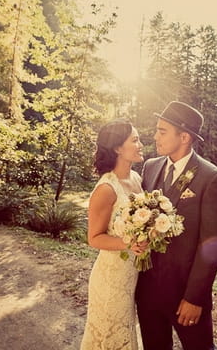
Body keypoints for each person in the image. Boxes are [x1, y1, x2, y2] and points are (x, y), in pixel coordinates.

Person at [135, 101, 217, 350]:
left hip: (185, 296)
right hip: (147, 292)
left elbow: (213, 246)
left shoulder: (212, 178)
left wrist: (194, 298)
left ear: (184, 137)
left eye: (162, 131)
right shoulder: (150, 167)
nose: (155, 136)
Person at [80, 119, 148, 350]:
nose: (141, 144)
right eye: (135, 140)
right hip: (111, 279)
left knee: (128, 332)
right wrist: (129, 243)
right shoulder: (106, 189)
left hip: (134, 275)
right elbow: (94, 238)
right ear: (118, 148)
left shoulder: (137, 179)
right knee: (112, 338)